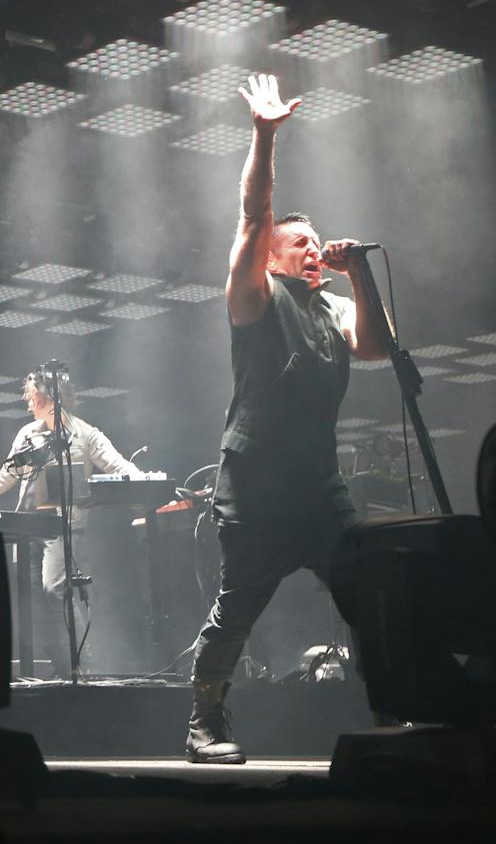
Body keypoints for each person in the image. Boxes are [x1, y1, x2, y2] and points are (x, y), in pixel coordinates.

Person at [186, 73, 389, 764]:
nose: (315, 249)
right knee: (237, 607)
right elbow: (252, 216)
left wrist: (358, 272)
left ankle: (394, 703)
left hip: (318, 485)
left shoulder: (331, 307)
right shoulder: (254, 297)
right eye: (300, 243)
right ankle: (205, 724)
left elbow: (378, 347)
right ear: (271, 257)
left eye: (319, 242)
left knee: (370, 592)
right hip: (255, 486)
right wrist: (265, 135)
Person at [0, 369, 142, 677]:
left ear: (46, 398)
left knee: (55, 588)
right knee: (33, 600)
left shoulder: (85, 434)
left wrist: (148, 480)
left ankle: (83, 663)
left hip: (62, 528)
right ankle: (61, 666)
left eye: (31, 396)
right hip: (25, 528)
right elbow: (6, 475)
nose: (27, 402)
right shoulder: (27, 434)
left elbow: (118, 464)